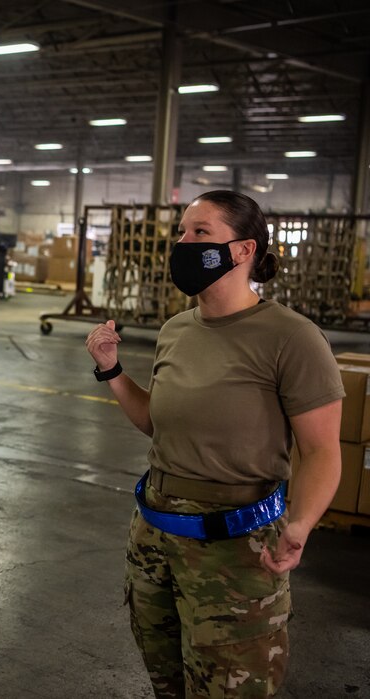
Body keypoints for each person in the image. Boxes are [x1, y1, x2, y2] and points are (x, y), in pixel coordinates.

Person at [85, 191, 343, 698]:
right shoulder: (177, 330)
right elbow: (160, 424)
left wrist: (301, 523)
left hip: (236, 554)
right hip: (155, 541)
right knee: (168, 684)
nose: (182, 242)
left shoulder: (292, 338)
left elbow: (321, 450)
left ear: (243, 250)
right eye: (182, 231)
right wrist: (112, 370)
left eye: (199, 232)